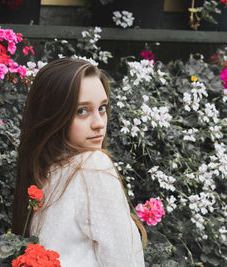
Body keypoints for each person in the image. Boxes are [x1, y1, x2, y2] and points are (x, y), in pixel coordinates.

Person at [12, 58, 146, 266]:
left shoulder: (44, 170)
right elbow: (122, 258)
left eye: (102, 108)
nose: (99, 123)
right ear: (53, 115)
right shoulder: (92, 164)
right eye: (82, 111)